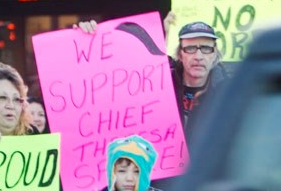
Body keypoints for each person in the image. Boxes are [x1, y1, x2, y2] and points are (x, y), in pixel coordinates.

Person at [76, 15, 229, 137]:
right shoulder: (154, 83)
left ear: (215, 53)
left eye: (206, 49)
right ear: (180, 54)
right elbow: (110, 77)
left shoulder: (229, 93)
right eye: (190, 48)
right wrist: (88, 38)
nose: (198, 56)